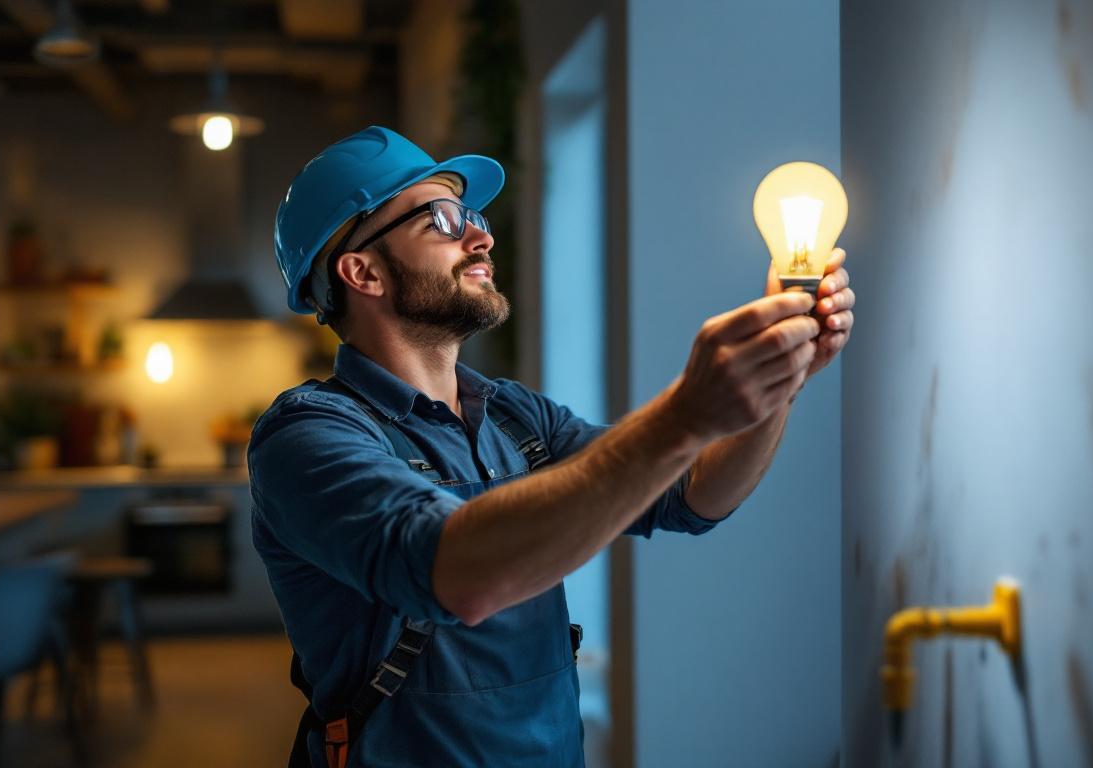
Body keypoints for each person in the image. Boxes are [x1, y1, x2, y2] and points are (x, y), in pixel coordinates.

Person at [251, 125, 854, 768]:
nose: (481, 236)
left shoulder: (514, 417)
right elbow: (452, 571)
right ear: (362, 271)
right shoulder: (308, 437)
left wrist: (779, 384)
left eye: (474, 216)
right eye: (444, 218)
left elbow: (692, 496)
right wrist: (685, 415)